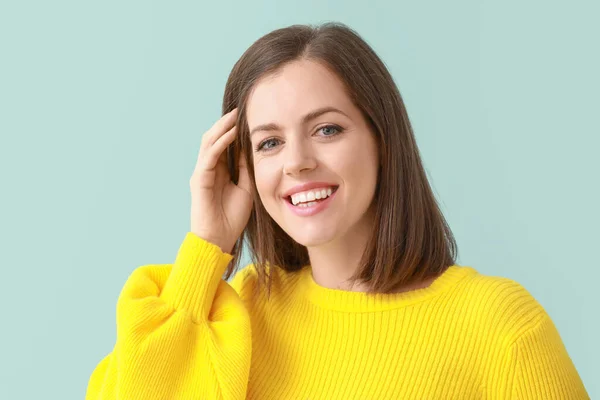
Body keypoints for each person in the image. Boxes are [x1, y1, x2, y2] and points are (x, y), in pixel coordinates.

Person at [85, 22, 589, 399]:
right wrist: (207, 250)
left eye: (327, 129)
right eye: (269, 143)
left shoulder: (499, 327)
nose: (298, 163)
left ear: (382, 139)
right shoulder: (241, 312)